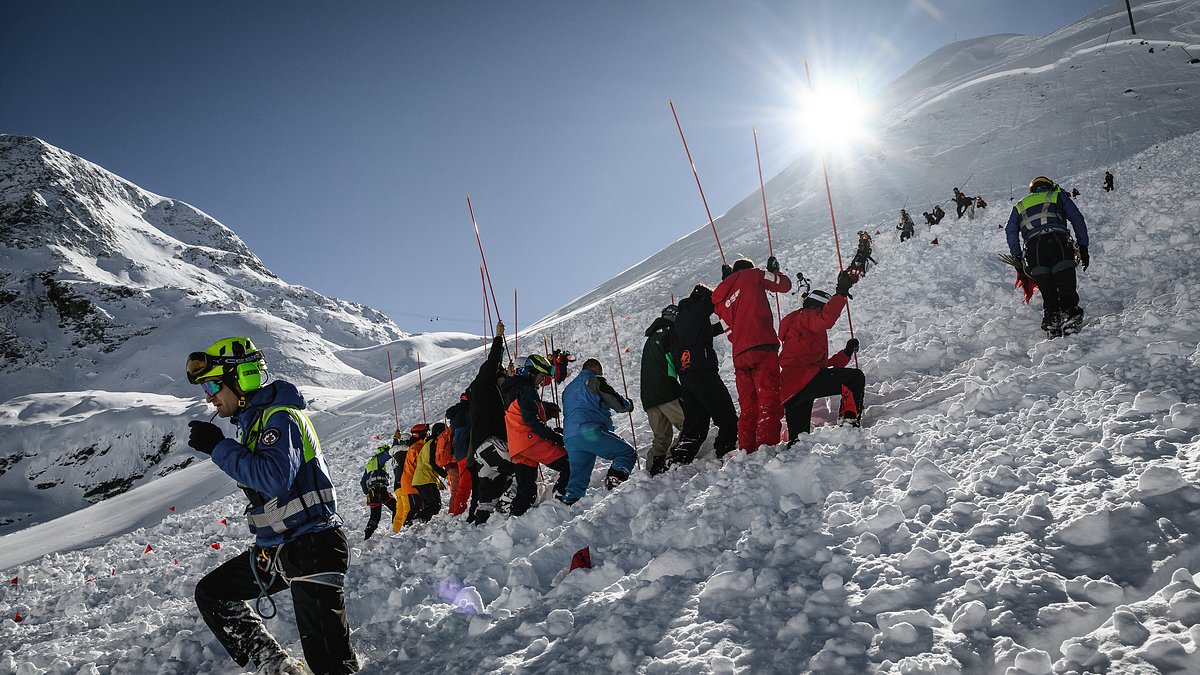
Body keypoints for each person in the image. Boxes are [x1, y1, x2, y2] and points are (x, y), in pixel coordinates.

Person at [185, 337, 358, 675]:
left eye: (213, 385)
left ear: (242, 378)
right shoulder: (255, 424)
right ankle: (275, 664)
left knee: (330, 666)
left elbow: (274, 478)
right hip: (280, 549)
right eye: (205, 387)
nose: (208, 396)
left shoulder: (281, 418)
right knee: (213, 593)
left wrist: (219, 448)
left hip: (313, 547)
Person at [713, 256, 792, 453]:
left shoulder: (721, 299)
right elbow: (784, 285)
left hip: (740, 355)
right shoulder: (754, 275)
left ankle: (746, 450)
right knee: (769, 399)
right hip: (762, 346)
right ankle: (766, 447)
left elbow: (730, 333)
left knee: (748, 407)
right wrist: (774, 271)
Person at [779, 274, 867, 441]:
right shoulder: (805, 316)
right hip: (807, 380)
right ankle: (848, 422)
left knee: (799, 440)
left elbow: (822, 367)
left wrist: (846, 353)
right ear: (817, 307)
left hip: (792, 391)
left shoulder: (799, 331)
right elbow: (826, 319)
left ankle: (794, 454)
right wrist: (841, 293)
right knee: (855, 378)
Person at [1005, 175, 1090, 337]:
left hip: (1034, 251)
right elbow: (1077, 218)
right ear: (1049, 186)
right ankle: (1070, 317)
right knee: (1066, 284)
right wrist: (1083, 246)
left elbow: (1010, 231)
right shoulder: (1058, 196)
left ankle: (1052, 322)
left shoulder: (1020, 205)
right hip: (1058, 243)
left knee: (1047, 290)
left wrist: (1017, 257)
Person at [671, 284, 739, 464]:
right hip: (702, 370)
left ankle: (680, 458)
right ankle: (726, 448)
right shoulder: (697, 308)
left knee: (696, 420)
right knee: (724, 411)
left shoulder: (683, 317)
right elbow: (712, 302)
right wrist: (727, 287)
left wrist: (727, 323)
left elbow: (706, 332)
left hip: (686, 374)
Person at [560, 359, 637, 504]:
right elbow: (616, 402)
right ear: (596, 369)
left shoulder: (568, 389)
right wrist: (628, 405)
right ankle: (614, 485)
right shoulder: (594, 380)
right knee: (627, 453)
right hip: (589, 432)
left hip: (570, 438)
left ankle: (570, 503)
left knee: (578, 478)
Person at [502, 354, 571, 515]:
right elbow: (532, 421)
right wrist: (555, 438)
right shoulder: (526, 391)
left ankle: (516, 518)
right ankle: (561, 499)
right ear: (530, 372)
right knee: (569, 463)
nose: (542, 381)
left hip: (518, 446)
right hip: (531, 441)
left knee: (526, 491)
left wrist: (546, 410)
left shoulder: (512, 389)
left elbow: (522, 412)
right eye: (541, 376)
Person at [466, 321, 516, 524]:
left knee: (489, 488)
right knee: (522, 465)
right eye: (501, 374)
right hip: (491, 444)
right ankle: (511, 503)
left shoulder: (487, 394)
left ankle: (482, 522)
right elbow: (492, 361)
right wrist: (498, 337)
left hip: (482, 449)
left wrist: (509, 377)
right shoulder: (483, 383)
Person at [640, 305, 684, 475]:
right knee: (688, 424)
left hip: (649, 396)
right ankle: (675, 457)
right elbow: (678, 361)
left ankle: (651, 471)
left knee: (661, 436)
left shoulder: (651, 338)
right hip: (667, 390)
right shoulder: (670, 334)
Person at [360, 443, 397, 541]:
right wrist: (396, 440)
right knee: (396, 507)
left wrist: (367, 493)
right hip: (380, 491)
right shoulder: (379, 458)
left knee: (375, 517)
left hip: (372, 494)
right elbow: (390, 452)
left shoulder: (370, 464)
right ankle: (397, 529)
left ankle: (367, 536)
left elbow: (362, 482)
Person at [446, 393, 472, 516]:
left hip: (459, 453)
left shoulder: (454, 414)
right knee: (465, 484)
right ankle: (458, 512)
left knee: (463, 484)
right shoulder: (468, 411)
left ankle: (458, 511)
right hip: (468, 452)